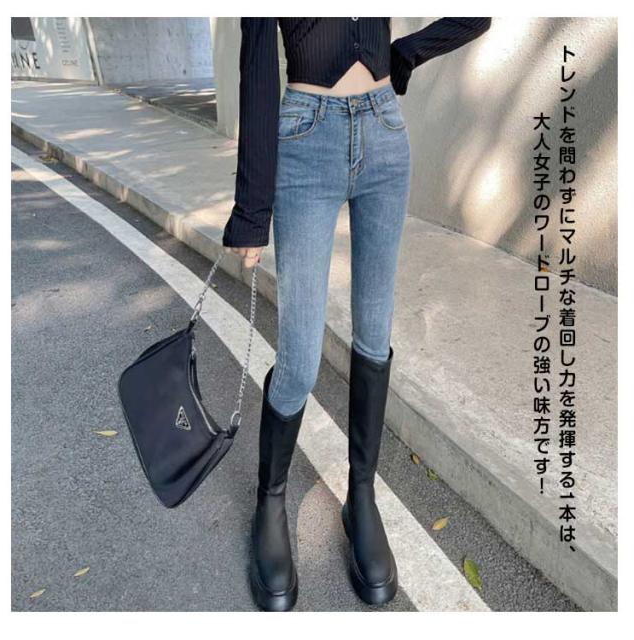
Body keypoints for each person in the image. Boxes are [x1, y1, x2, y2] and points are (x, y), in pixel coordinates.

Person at [222, 17, 492, 612]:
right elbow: (257, 70)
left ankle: (361, 497)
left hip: (384, 134)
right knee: (299, 359)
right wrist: (251, 210)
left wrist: (407, 52)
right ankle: (271, 501)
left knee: (374, 336)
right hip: (304, 138)